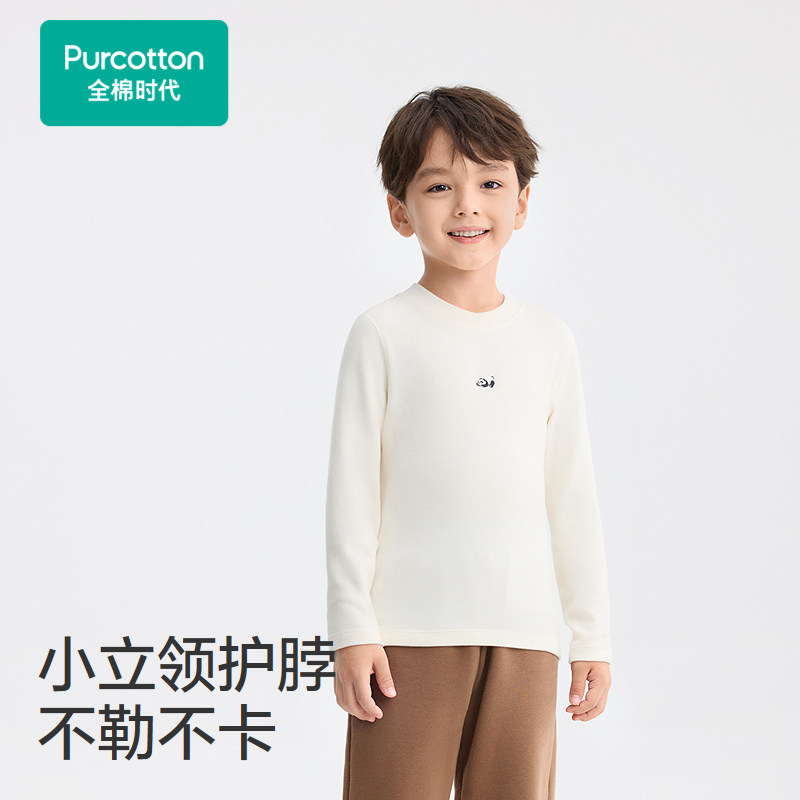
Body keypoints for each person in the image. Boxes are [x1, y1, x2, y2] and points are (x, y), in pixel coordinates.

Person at [325, 85, 613, 800]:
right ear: (399, 211)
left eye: (490, 183)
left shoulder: (548, 340)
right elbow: (353, 494)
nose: (466, 206)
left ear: (521, 203)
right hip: (405, 635)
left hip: (524, 633)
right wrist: (352, 629)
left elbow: (572, 498)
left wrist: (591, 635)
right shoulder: (383, 333)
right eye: (437, 186)